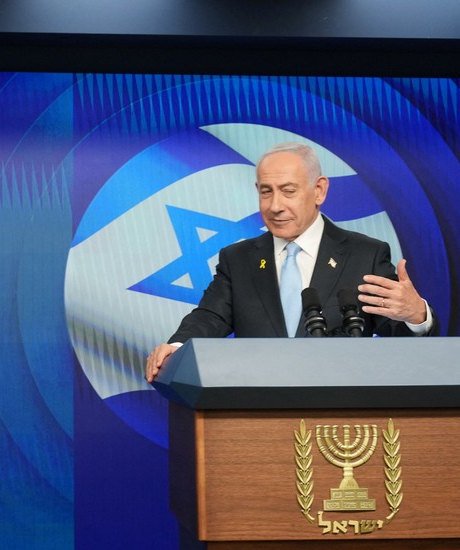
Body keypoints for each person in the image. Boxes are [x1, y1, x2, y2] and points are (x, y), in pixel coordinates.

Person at [144, 142, 436, 383]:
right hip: (259, 411)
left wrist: (416, 315)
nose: (275, 206)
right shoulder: (238, 259)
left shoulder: (364, 255)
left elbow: (399, 337)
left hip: (340, 414)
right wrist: (176, 347)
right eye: (266, 191)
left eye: (288, 191)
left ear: (319, 190)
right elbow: (210, 317)